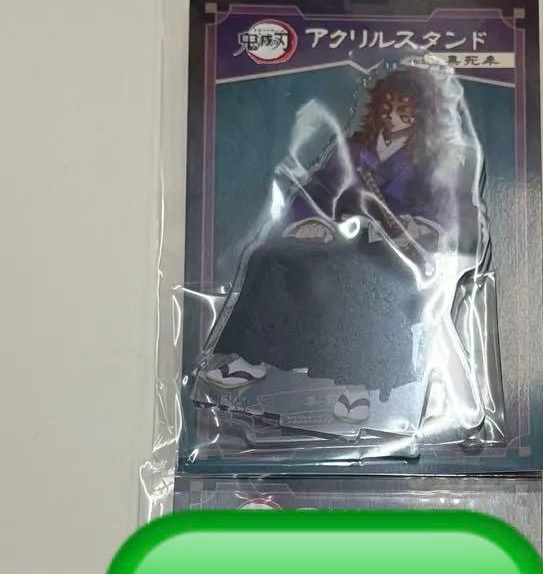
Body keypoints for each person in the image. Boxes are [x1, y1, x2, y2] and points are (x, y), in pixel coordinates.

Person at [202, 67, 483, 425]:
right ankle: (249, 357)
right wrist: (311, 221)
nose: (393, 117)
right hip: (340, 236)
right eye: (387, 107)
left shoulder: (432, 159)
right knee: (267, 257)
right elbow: (316, 190)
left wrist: (424, 228)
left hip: (396, 251)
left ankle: (357, 383)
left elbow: (450, 210)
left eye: (404, 110)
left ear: (421, 114)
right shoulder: (353, 148)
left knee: (358, 280)